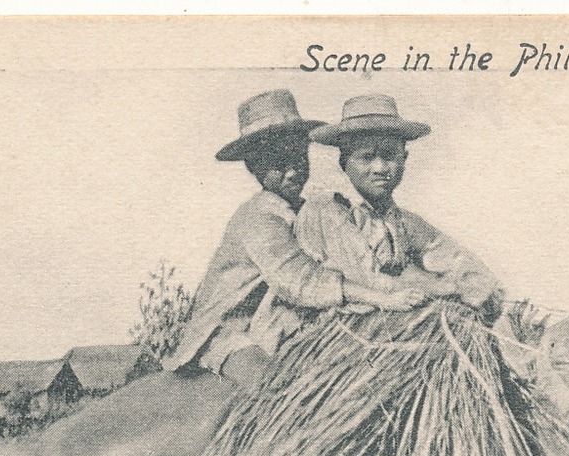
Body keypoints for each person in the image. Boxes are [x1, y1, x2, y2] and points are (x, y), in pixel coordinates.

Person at [165, 89, 424, 387]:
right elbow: (300, 280)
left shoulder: (304, 212)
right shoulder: (258, 218)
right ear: (254, 166)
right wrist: (381, 298)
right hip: (230, 333)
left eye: (298, 159)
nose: (292, 171)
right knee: (277, 389)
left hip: (273, 324)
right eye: (277, 163)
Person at [296, 94, 505, 324]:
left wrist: (477, 284)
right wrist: (449, 286)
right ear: (344, 162)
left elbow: (456, 259)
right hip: (350, 332)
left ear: (404, 158)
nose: (379, 168)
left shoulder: (402, 220)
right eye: (366, 157)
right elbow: (371, 279)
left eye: (389, 156)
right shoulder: (327, 210)